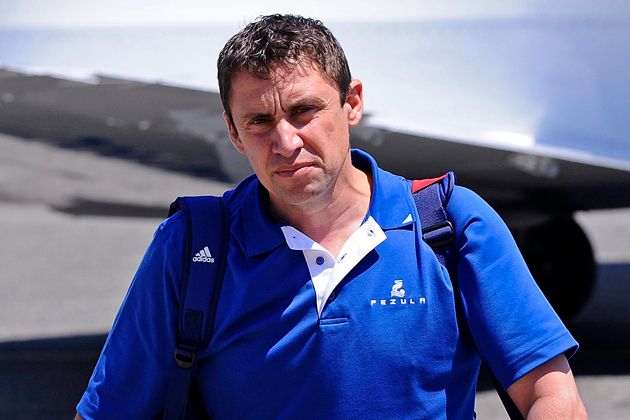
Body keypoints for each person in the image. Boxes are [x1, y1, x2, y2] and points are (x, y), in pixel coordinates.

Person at [76, 14, 587, 419]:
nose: (285, 142)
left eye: (304, 111)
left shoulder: (449, 225)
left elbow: (551, 394)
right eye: (259, 121)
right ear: (233, 132)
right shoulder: (192, 247)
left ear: (352, 103)